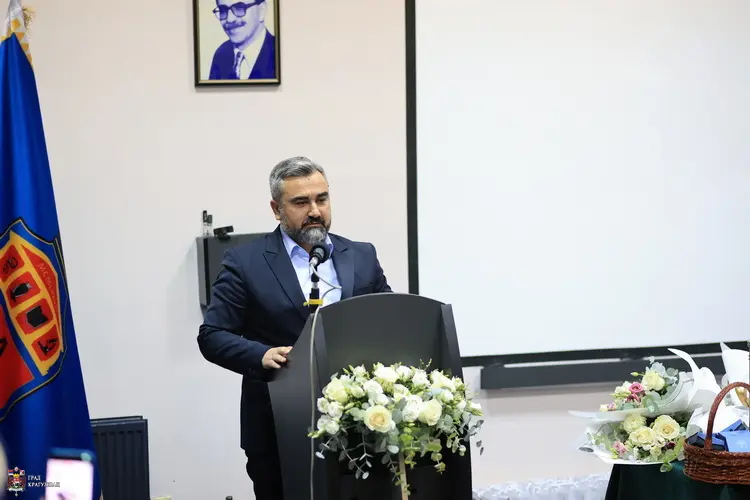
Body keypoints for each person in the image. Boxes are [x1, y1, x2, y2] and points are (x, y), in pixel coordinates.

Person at [197, 156, 391, 500]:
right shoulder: (246, 262)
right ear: (277, 209)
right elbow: (212, 336)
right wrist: (261, 355)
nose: (315, 211)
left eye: (322, 199)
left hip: (359, 429)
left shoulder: (361, 255)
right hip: (277, 426)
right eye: (301, 202)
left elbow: (388, 319)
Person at [208, 0, 277, 80]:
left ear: (262, 10)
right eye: (223, 10)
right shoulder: (221, 55)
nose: (230, 19)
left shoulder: (280, 54)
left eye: (239, 8)